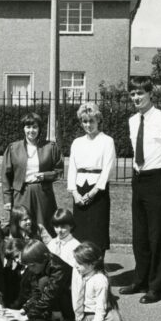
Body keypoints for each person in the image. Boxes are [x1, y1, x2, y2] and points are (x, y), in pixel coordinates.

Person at [120, 78, 161, 304]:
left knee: (156, 236)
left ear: (150, 93)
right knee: (140, 235)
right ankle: (140, 280)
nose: (136, 98)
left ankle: (156, 286)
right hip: (138, 179)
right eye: (132, 95)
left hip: (157, 179)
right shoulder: (132, 121)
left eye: (139, 93)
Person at [65, 242, 160, 321]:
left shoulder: (99, 280)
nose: (76, 265)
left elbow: (100, 311)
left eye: (79, 263)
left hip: (103, 320)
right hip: (89, 319)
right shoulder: (85, 275)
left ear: (92, 264)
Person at [1, 112, 63, 238]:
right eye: (28, 127)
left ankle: (43, 254)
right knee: (21, 227)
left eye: (35, 127)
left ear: (39, 129)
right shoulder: (13, 148)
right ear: (23, 128)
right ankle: (20, 255)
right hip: (21, 193)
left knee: (44, 228)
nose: (31, 130)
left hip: (43, 194)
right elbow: (6, 175)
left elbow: (59, 171)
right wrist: (7, 199)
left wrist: (44, 176)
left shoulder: (50, 147)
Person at [67, 102, 116, 252]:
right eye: (85, 121)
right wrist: (75, 193)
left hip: (97, 192)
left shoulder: (107, 141)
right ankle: (82, 269)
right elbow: (72, 168)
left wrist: (93, 192)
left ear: (98, 120)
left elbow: (108, 168)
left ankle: (98, 269)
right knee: (80, 233)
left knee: (97, 232)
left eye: (91, 121)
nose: (88, 125)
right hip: (80, 191)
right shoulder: (77, 142)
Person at [15, 240, 74, 321]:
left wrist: (27, 316)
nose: (30, 269)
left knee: (44, 282)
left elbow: (50, 295)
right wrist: (24, 310)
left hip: (70, 302)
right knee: (33, 319)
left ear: (43, 258)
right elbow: (37, 293)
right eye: (28, 266)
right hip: (56, 300)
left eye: (32, 266)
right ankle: (55, 317)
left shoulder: (58, 268)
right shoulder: (41, 266)